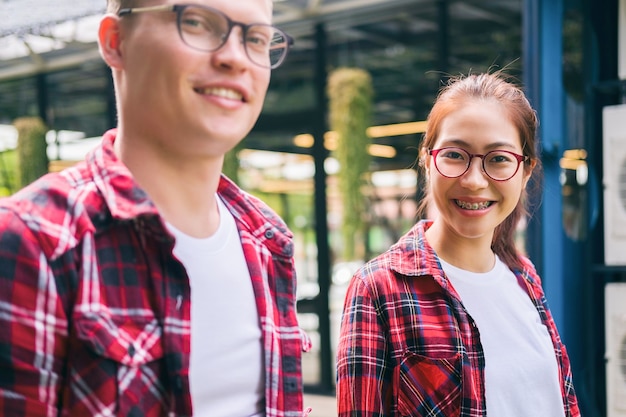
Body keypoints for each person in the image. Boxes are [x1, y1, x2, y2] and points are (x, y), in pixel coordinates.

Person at [0, 0, 312, 416]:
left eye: (255, 38)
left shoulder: (267, 239)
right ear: (116, 42)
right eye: (198, 23)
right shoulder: (35, 240)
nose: (235, 57)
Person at [336, 72, 580, 416]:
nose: (475, 181)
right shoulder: (379, 288)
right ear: (427, 160)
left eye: (498, 159)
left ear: (526, 171)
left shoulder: (523, 276)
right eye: (455, 155)